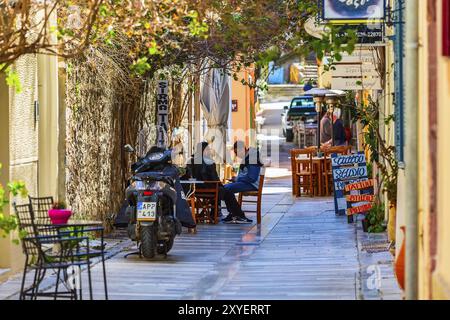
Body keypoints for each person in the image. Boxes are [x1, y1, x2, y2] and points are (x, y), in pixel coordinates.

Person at [186, 142, 251, 224]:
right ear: (204, 151)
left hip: (194, 190)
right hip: (208, 188)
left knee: (221, 190)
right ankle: (238, 215)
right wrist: (222, 186)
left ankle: (216, 213)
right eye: (208, 149)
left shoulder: (189, 161)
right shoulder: (209, 162)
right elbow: (215, 179)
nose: (210, 151)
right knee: (227, 192)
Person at [222, 141, 263, 224]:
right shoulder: (248, 157)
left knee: (226, 189)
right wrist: (236, 179)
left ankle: (239, 215)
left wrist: (237, 179)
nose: (236, 155)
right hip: (246, 182)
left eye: (237, 152)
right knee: (224, 188)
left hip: (252, 184)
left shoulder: (252, 157)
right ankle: (234, 214)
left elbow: (252, 177)